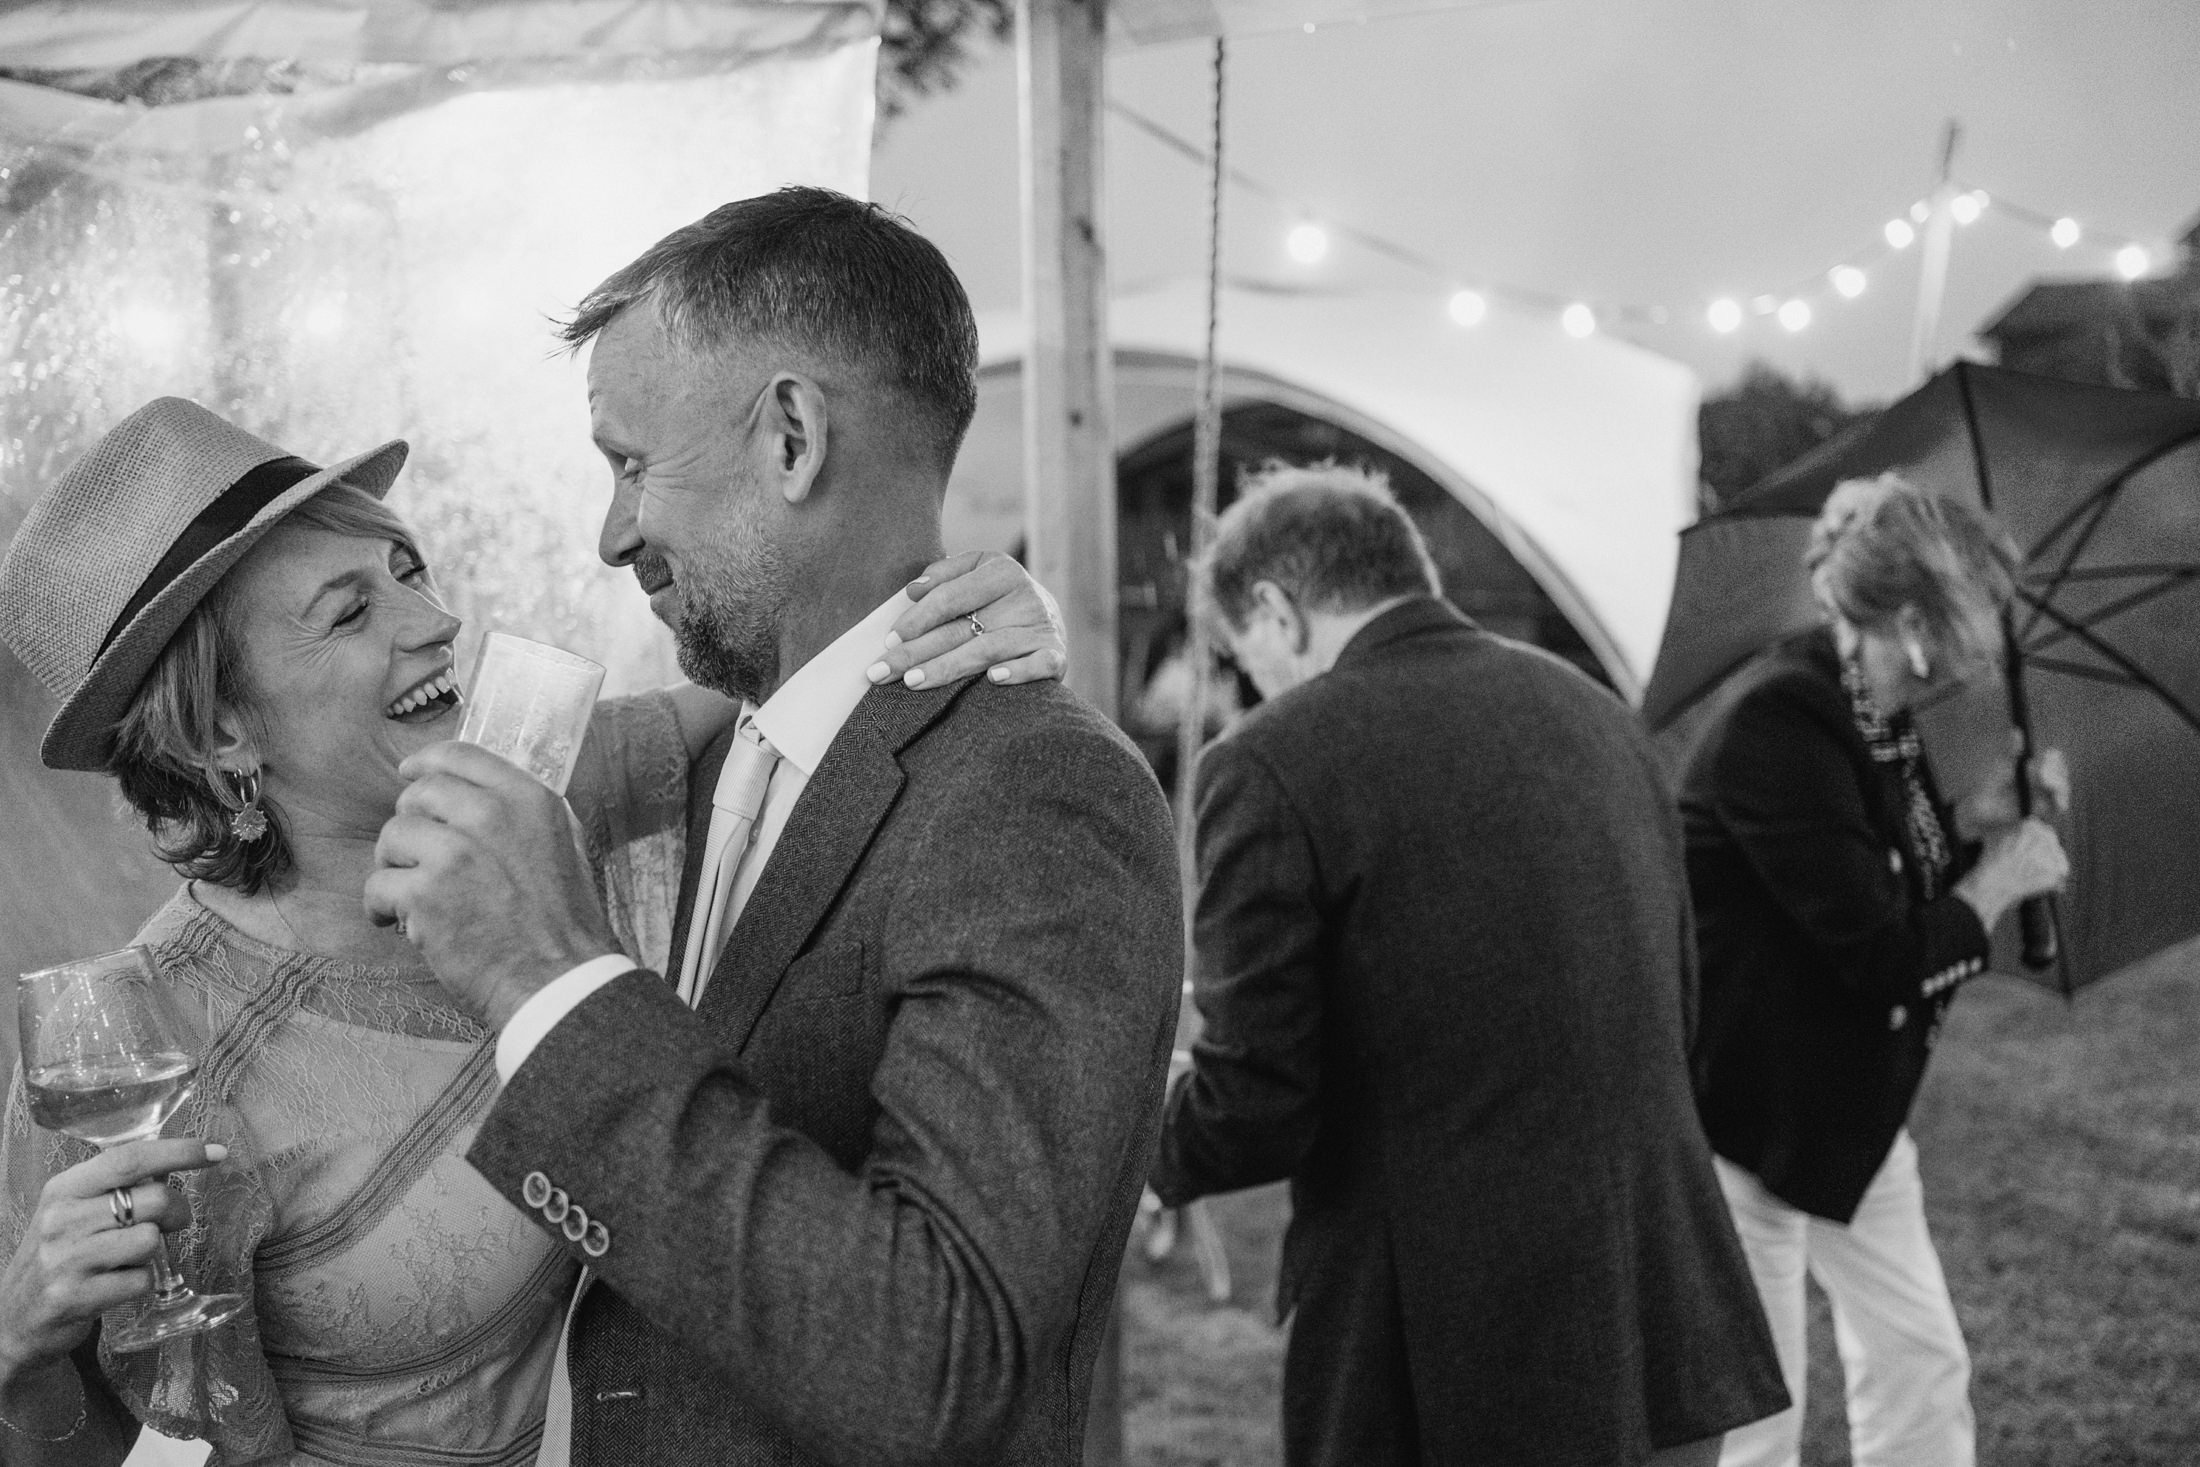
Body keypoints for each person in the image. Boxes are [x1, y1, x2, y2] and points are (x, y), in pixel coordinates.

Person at [0, 395, 1063, 1463]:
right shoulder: (150, 1051)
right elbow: (130, 1442)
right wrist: (16, 1347)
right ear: (220, 728)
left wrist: (972, 609)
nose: (436, 622)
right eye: (350, 612)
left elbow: (821, 674)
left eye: (407, 571)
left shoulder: (541, 789)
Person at [363, 188, 1184, 1465]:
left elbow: (941, 1362)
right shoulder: (712, 755)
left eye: (633, 464)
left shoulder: (1036, 791)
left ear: (791, 437)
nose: (612, 535)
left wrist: (550, 982)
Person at [1148, 463, 1791, 1467]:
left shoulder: (1271, 759)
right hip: (1658, 1304)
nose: (1249, 684)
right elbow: (1667, 993)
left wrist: (1134, 1148)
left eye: (1241, 655)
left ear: (1275, 609)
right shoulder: (1599, 714)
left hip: (1452, 1351)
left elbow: (1256, 1105)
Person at [1682, 472, 2072, 1467]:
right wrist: (1997, 883)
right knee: (1758, 1415)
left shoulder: (1875, 710)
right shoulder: (1779, 721)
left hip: (1850, 1105)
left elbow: (1894, 868)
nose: (1987, 639)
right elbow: (1882, 954)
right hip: (1747, 1118)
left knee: (1920, 1361)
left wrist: (1984, 819)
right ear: (1912, 620)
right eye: (1975, 611)